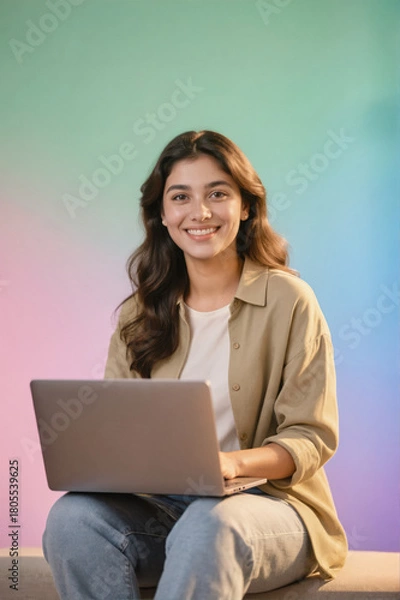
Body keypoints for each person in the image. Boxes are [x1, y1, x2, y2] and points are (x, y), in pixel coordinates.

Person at [43, 130, 347, 599]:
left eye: (218, 194)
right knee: (72, 519)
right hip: (165, 511)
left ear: (245, 206)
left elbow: (312, 437)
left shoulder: (290, 301)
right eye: (181, 196)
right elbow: (116, 430)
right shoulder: (138, 313)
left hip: (269, 510)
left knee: (210, 521)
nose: (199, 212)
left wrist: (229, 464)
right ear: (162, 214)